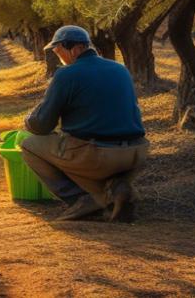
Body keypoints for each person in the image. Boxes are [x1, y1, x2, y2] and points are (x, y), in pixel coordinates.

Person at [20, 25, 148, 222]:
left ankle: (81, 199)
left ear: (73, 48)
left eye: (58, 50)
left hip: (97, 154)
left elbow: (41, 125)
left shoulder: (67, 74)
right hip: (136, 154)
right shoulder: (120, 69)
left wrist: (28, 120)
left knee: (29, 145)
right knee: (76, 144)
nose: (58, 55)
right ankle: (117, 189)